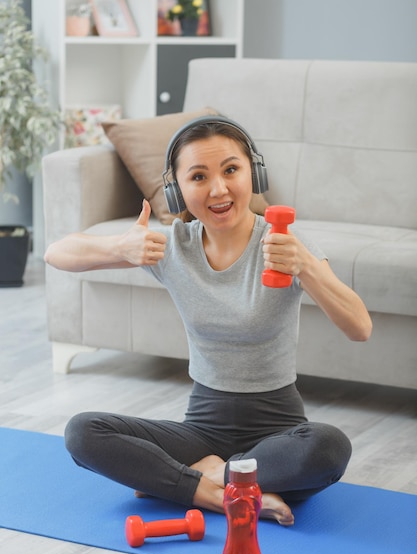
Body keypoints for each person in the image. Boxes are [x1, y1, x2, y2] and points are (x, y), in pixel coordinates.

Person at [44, 116, 372, 526]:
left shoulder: (287, 243)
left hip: (278, 433)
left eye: (231, 170)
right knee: (81, 433)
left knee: (327, 448)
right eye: (198, 176)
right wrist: (120, 247)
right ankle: (221, 493)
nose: (218, 189)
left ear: (254, 172)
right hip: (201, 431)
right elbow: (56, 253)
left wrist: (307, 267)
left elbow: (360, 327)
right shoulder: (174, 248)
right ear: (177, 190)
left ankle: (194, 479)